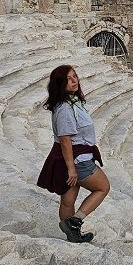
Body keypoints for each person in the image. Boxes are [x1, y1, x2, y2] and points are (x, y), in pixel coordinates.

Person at [37, 65, 110, 243]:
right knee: (102, 187)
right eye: (68, 79)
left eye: (75, 76)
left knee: (68, 200)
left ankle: (72, 237)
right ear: (60, 84)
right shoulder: (65, 109)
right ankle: (74, 222)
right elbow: (65, 140)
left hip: (72, 158)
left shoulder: (72, 102)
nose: (74, 81)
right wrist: (71, 169)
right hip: (78, 160)